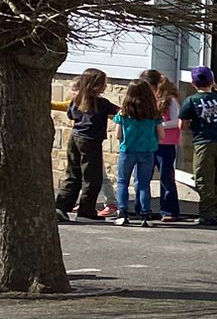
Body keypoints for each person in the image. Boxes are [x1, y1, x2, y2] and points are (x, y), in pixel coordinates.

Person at [53, 69, 117, 222]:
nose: (105, 86)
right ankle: (86, 211)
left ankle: (61, 207)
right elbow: (120, 111)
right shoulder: (102, 103)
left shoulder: (76, 100)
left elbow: (70, 115)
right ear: (95, 85)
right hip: (91, 141)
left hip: (74, 138)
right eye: (103, 83)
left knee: (72, 174)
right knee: (92, 177)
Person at [177, 66, 217, 226]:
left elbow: (182, 125)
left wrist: (193, 125)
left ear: (193, 83)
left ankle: (208, 213)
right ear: (212, 82)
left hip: (203, 142)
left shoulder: (191, 101)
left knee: (204, 177)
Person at [113, 82, 161, 226]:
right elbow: (161, 134)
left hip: (127, 150)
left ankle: (122, 213)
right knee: (143, 184)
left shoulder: (123, 113)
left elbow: (117, 134)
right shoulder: (154, 113)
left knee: (123, 181)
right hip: (147, 151)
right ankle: (145, 214)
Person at [147, 70, 185, 221]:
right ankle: (143, 208)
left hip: (166, 144)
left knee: (166, 178)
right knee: (144, 177)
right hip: (150, 143)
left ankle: (169, 211)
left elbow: (177, 121)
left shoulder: (171, 101)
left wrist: (159, 125)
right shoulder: (150, 100)